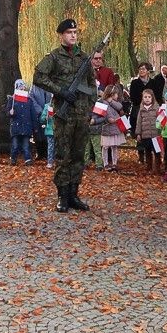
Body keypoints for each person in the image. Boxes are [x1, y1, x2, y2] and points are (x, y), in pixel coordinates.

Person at [34, 18, 96, 213]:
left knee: (78, 156)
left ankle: (74, 195)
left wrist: (90, 108)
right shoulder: (53, 57)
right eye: (69, 32)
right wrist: (60, 91)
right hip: (64, 115)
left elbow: (92, 86)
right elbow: (38, 77)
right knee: (63, 156)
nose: (73, 35)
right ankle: (62, 196)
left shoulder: (84, 58)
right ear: (61, 35)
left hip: (81, 115)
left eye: (75, 32)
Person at [8, 79, 35, 165]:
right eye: (20, 87)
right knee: (15, 145)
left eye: (23, 86)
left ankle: (28, 160)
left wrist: (35, 127)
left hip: (26, 126)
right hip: (15, 126)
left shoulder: (29, 100)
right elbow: (7, 111)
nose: (22, 88)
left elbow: (33, 114)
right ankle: (13, 159)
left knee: (26, 145)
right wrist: (10, 112)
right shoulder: (12, 99)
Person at [134, 89, 161, 175]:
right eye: (145, 97)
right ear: (142, 98)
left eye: (149, 97)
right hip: (145, 135)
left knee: (157, 152)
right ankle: (149, 167)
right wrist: (138, 133)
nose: (147, 99)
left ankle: (157, 168)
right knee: (148, 151)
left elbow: (161, 120)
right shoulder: (141, 109)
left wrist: (161, 132)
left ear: (152, 98)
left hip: (155, 134)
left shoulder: (157, 108)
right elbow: (138, 122)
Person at [100, 86, 125, 171]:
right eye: (116, 94)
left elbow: (120, 107)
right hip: (107, 128)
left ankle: (115, 163)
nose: (117, 96)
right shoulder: (103, 103)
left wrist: (111, 102)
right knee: (106, 146)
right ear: (112, 94)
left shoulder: (114, 103)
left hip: (115, 128)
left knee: (114, 146)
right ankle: (105, 163)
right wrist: (113, 119)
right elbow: (108, 114)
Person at [40, 98, 56, 170]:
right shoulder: (47, 106)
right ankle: (50, 162)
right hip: (50, 129)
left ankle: (58, 161)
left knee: (58, 147)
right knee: (50, 147)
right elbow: (41, 119)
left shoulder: (60, 106)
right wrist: (45, 118)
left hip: (59, 130)